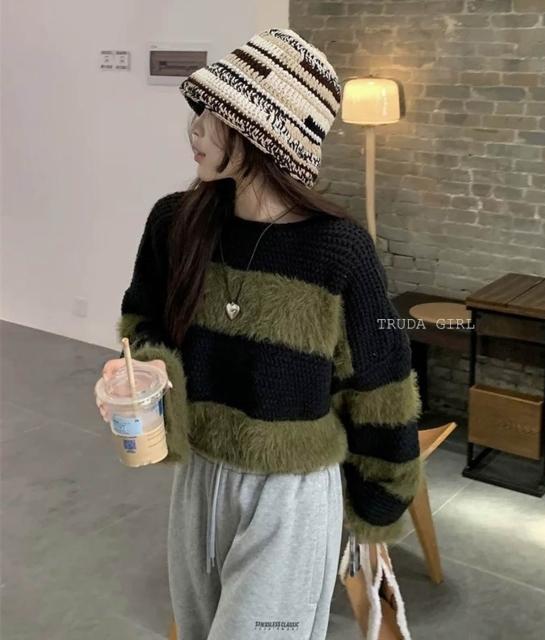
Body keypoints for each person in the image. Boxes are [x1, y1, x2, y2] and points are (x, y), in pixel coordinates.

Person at [96, 27, 423, 640]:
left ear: (262, 134)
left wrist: (377, 505)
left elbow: (380, 385)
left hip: (291, 498)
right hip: (198, 482)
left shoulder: (339, 251)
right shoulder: (175, 223)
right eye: (198, 113)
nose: (194, 130)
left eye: (213, 116)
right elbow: (144, 321)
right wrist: (146, 367)